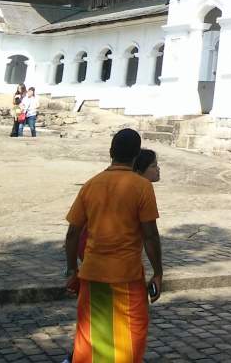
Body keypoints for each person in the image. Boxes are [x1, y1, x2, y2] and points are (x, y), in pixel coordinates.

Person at [63, 128, 162, 363]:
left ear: (110, 152)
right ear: (136, 155)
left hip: (93, 273)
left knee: (91, 335)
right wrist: (158, 272)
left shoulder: (91, 185)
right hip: (127, 275)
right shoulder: (141, 187)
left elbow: (72, 234)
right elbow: (150, 236)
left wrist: (71, 269)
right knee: (131, 335)